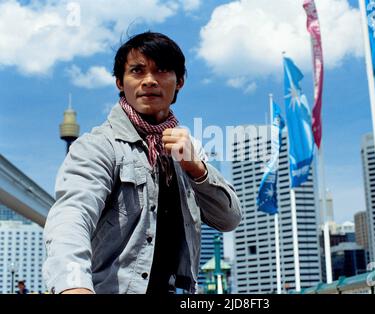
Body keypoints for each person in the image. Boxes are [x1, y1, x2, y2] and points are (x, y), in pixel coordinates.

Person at [43, 31, 242, 294]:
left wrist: (197, 169)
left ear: (179, 81)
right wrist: (74, 286)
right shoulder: (99, 146)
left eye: (161, 70)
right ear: (119, 82)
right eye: (137, 71)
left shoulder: (188, 148)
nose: (149, 81)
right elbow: (71, 217)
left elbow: (229, 219)